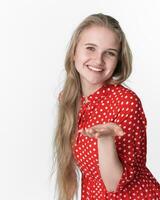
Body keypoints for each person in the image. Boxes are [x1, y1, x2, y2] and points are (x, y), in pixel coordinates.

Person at [52, 13, 160, 200]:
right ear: (74, 52)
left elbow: (114, 184)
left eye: (109, 53)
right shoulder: (69, 98)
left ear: (118, 60)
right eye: (90, 48)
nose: (98, 60)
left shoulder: (125, 102)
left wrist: (106, 138)